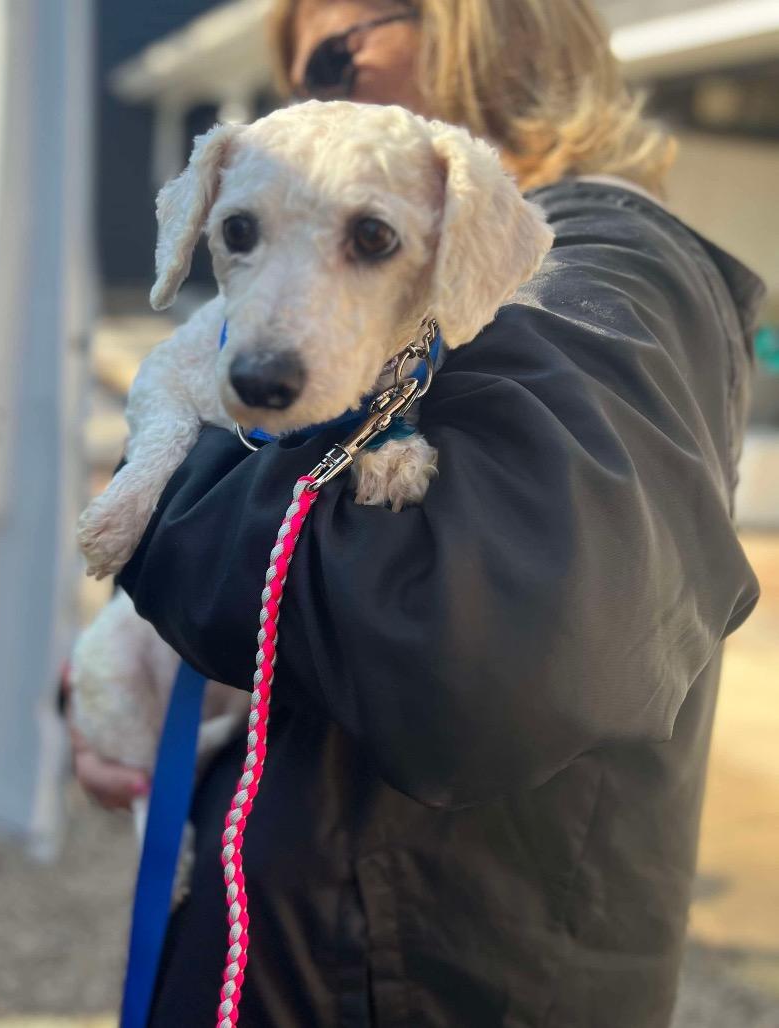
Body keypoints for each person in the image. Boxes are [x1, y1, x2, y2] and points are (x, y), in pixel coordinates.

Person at [72, 1, 764, 1024]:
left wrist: (169, 513)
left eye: (332, 52)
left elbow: (477, 649)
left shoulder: (590, 265)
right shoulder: (464, 278)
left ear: (492, 25)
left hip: (421, 985)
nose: (314, 93)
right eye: (298, 70)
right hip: (323, 958)